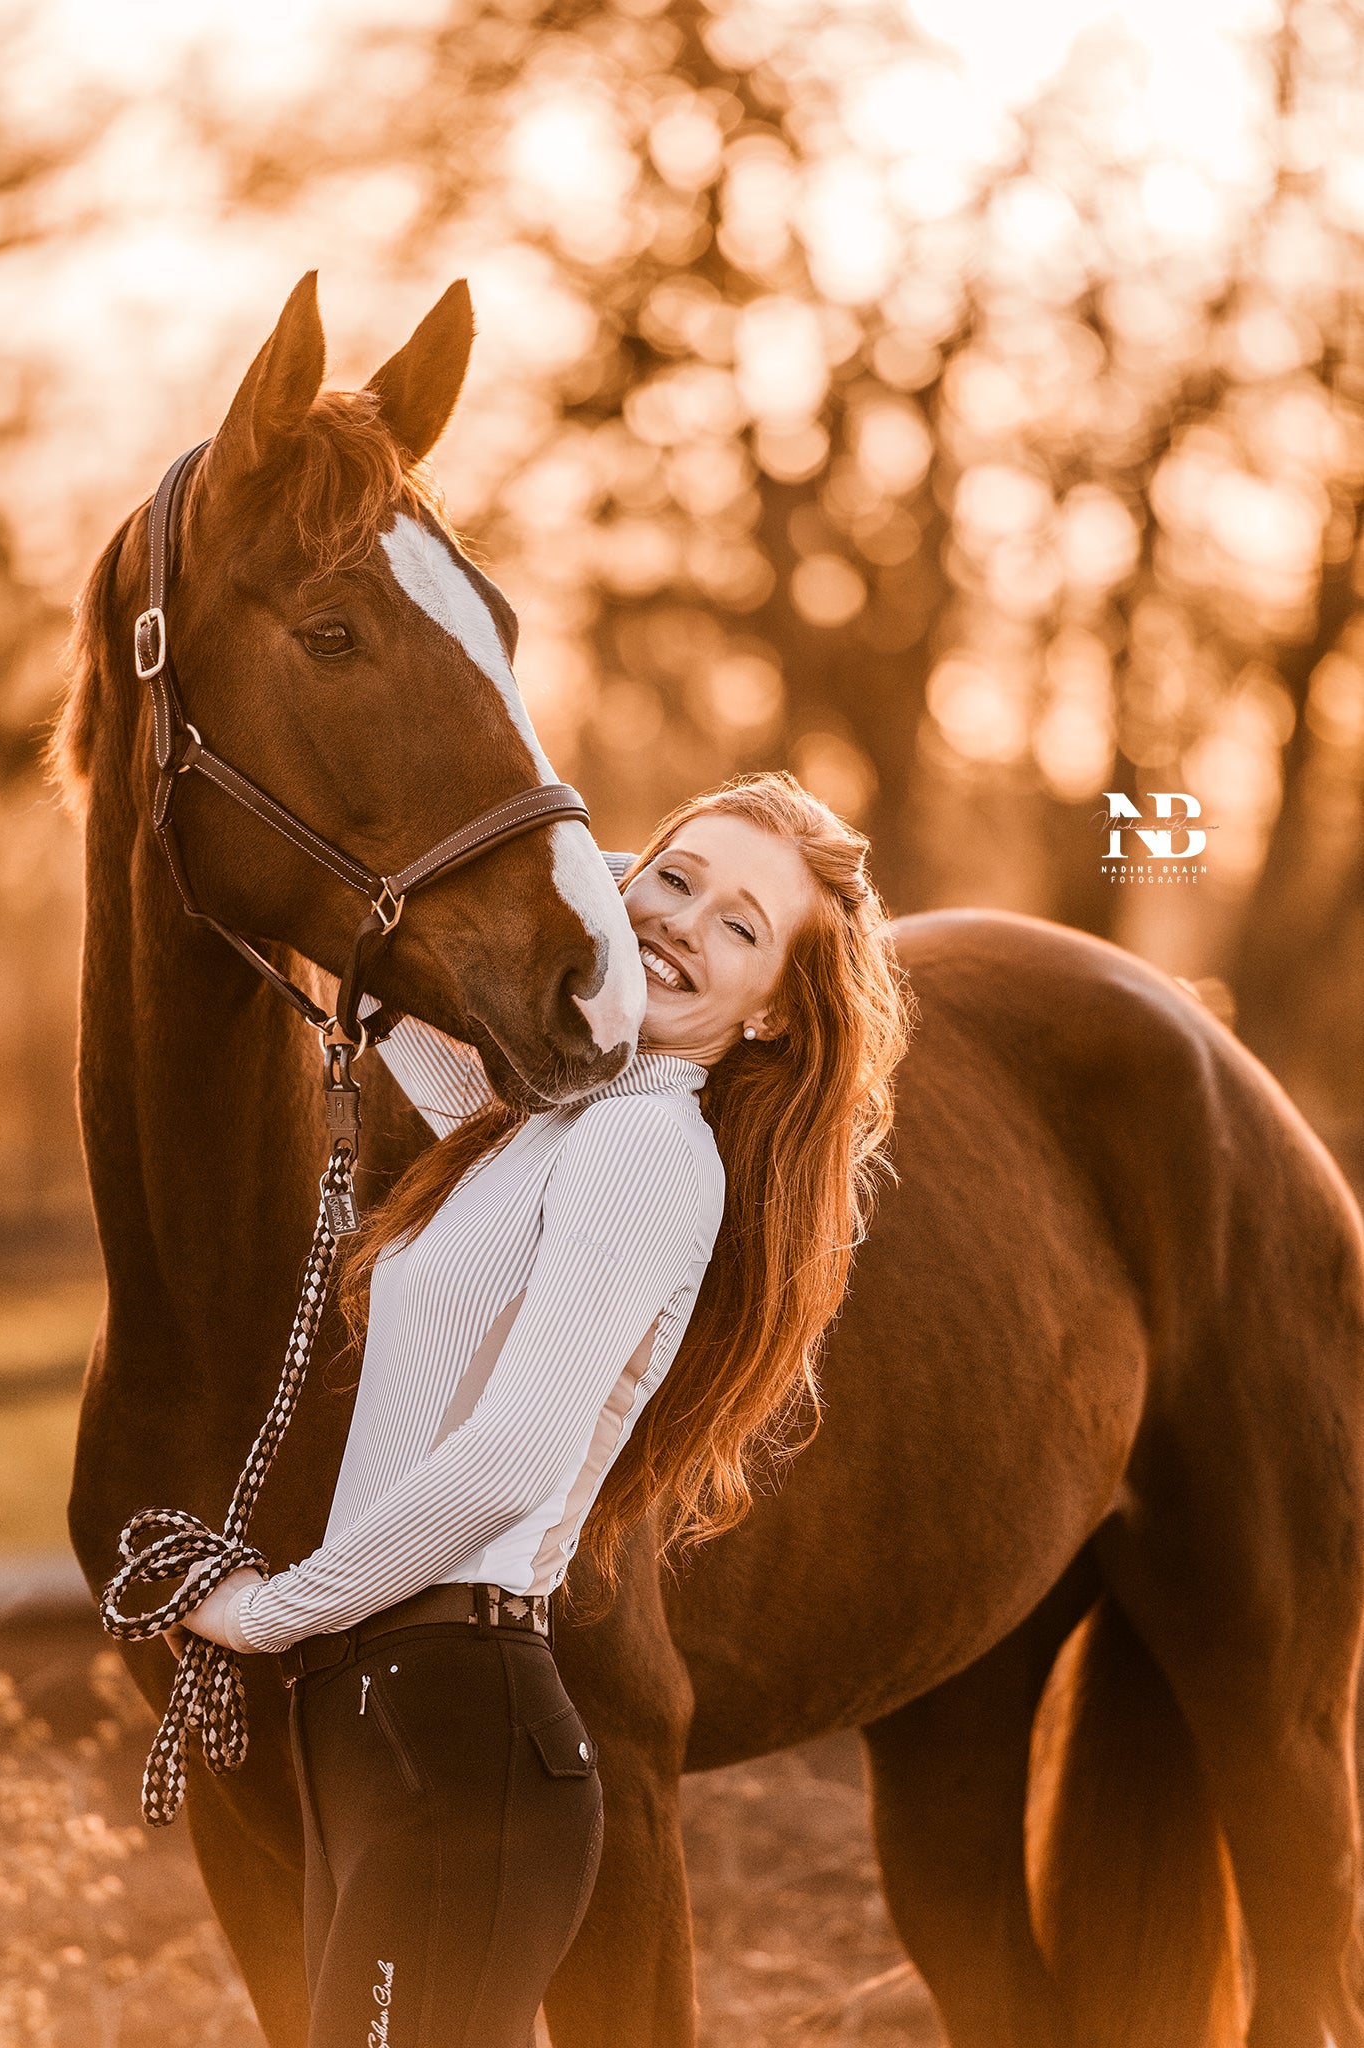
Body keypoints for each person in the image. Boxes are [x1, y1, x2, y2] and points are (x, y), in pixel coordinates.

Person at [174, 768, 912, 2048]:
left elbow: (518, 1451)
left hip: (457, 1732)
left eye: (741, 925)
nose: (685, 919)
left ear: (777, 1016)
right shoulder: (552, 1126)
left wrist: (276, 1609)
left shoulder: (645, 1152)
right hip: (376, 1722)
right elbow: (447, 1058)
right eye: (674, 878)